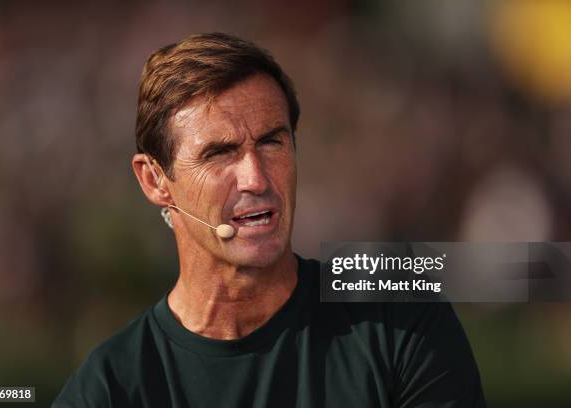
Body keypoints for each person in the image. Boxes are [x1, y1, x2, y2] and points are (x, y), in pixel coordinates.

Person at [53, 32, 486, 407]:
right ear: (154, 180)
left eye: (272, 142)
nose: (256, 177)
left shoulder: (398, 321)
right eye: (219, 153)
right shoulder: (111, 387)